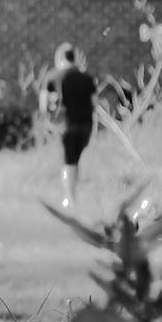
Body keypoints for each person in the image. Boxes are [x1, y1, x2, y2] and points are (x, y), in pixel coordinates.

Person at [42, 42, 98, 209]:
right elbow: (95, 103)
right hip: (85, 124)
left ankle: (69, 198)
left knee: (68, 161)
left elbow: (43, 105)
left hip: (65, 124)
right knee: (75, 160)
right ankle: (72, 195)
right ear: (75, 59)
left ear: (60, 58)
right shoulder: (87, 78)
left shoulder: (52, 77)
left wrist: (49, 120)